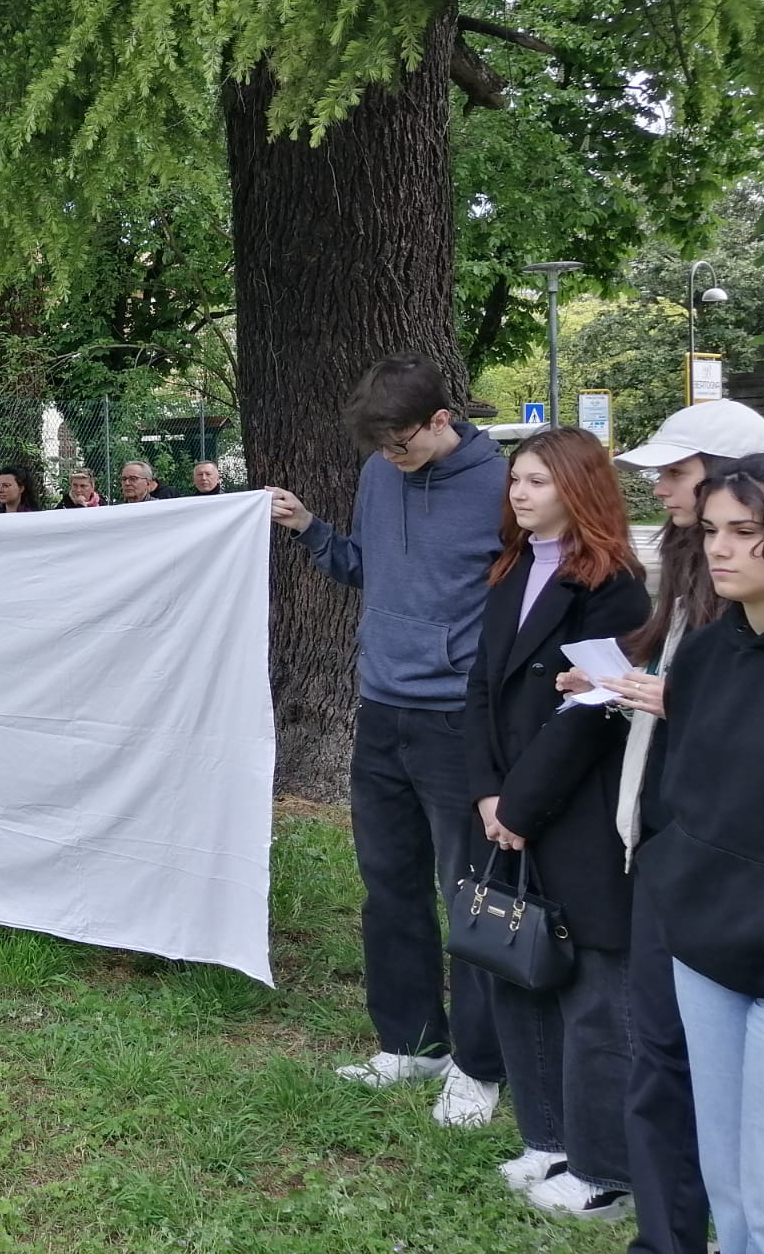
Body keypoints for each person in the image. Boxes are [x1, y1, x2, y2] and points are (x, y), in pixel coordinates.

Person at [268, 354, 508, 1126]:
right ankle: (411, 1043)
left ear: (443, 420)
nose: (391, 459)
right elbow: (367, 567)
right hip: (382, 706)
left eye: (401, 444)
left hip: (456, 720)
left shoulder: (504, 487)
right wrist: (308, 528)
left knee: (468, 892)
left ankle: (478, 1064)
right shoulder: (381, 473)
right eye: (380, 450)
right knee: (389, 882)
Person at [587, 400, 764, 1254]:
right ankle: (666, 1238)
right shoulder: (690, 568)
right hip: (666, 837)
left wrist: (683, 699)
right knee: (660, 1054)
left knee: (753, 1108)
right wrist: (626, 677)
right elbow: (672, 667)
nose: (659, 488)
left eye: (676, 472)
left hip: (755, 881)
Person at [464, 429, 650, 1219]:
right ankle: (545, 1139)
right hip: (504, 805)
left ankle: (603, 1168)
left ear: (578, 487)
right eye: (516, 480)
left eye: (537, 480)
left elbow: (590, 713)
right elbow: (479, 689)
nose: (520, 493)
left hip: (574, 813)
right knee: (518, 962)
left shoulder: (616, 585)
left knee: (594, 992)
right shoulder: (509, 569)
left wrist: (521, 807)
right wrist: (485, 795)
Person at [638, 452, 764, 1254]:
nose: (722, 548)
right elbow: (687, 797)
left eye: (750, 532)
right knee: (732, 1190)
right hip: (706, 950)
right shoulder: (706, 654)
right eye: (713, 530)